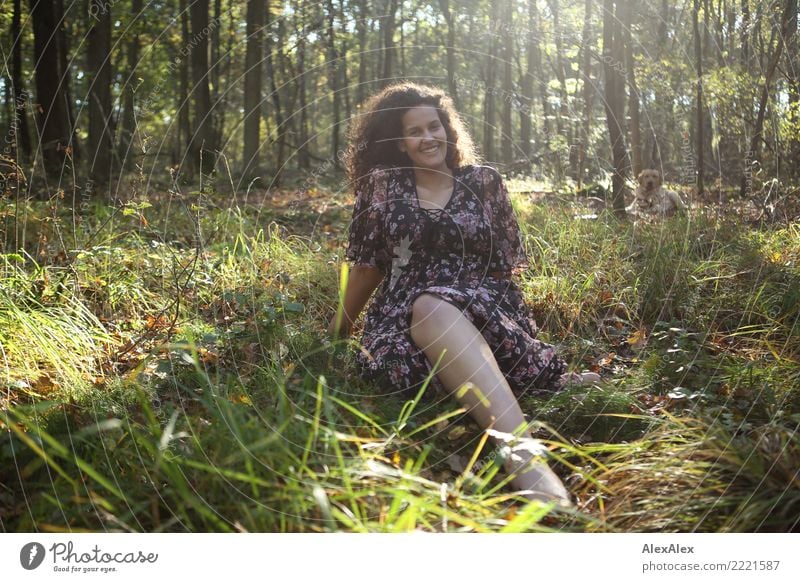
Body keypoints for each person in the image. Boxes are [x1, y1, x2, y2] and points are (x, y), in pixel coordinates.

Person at [327, 82, 598, 504]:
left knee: (442, 307)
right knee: (430, 305)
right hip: (405, 313)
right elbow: (367, 267)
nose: (428, 137)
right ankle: (513, 417)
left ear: (447, 129)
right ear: (399, 143)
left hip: (483, 302)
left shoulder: (485, 182)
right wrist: (335, 336)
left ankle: (525, 461)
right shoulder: (383, 187)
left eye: (434, 126)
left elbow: (503, 268)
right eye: (414, 130)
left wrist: (517, 332)